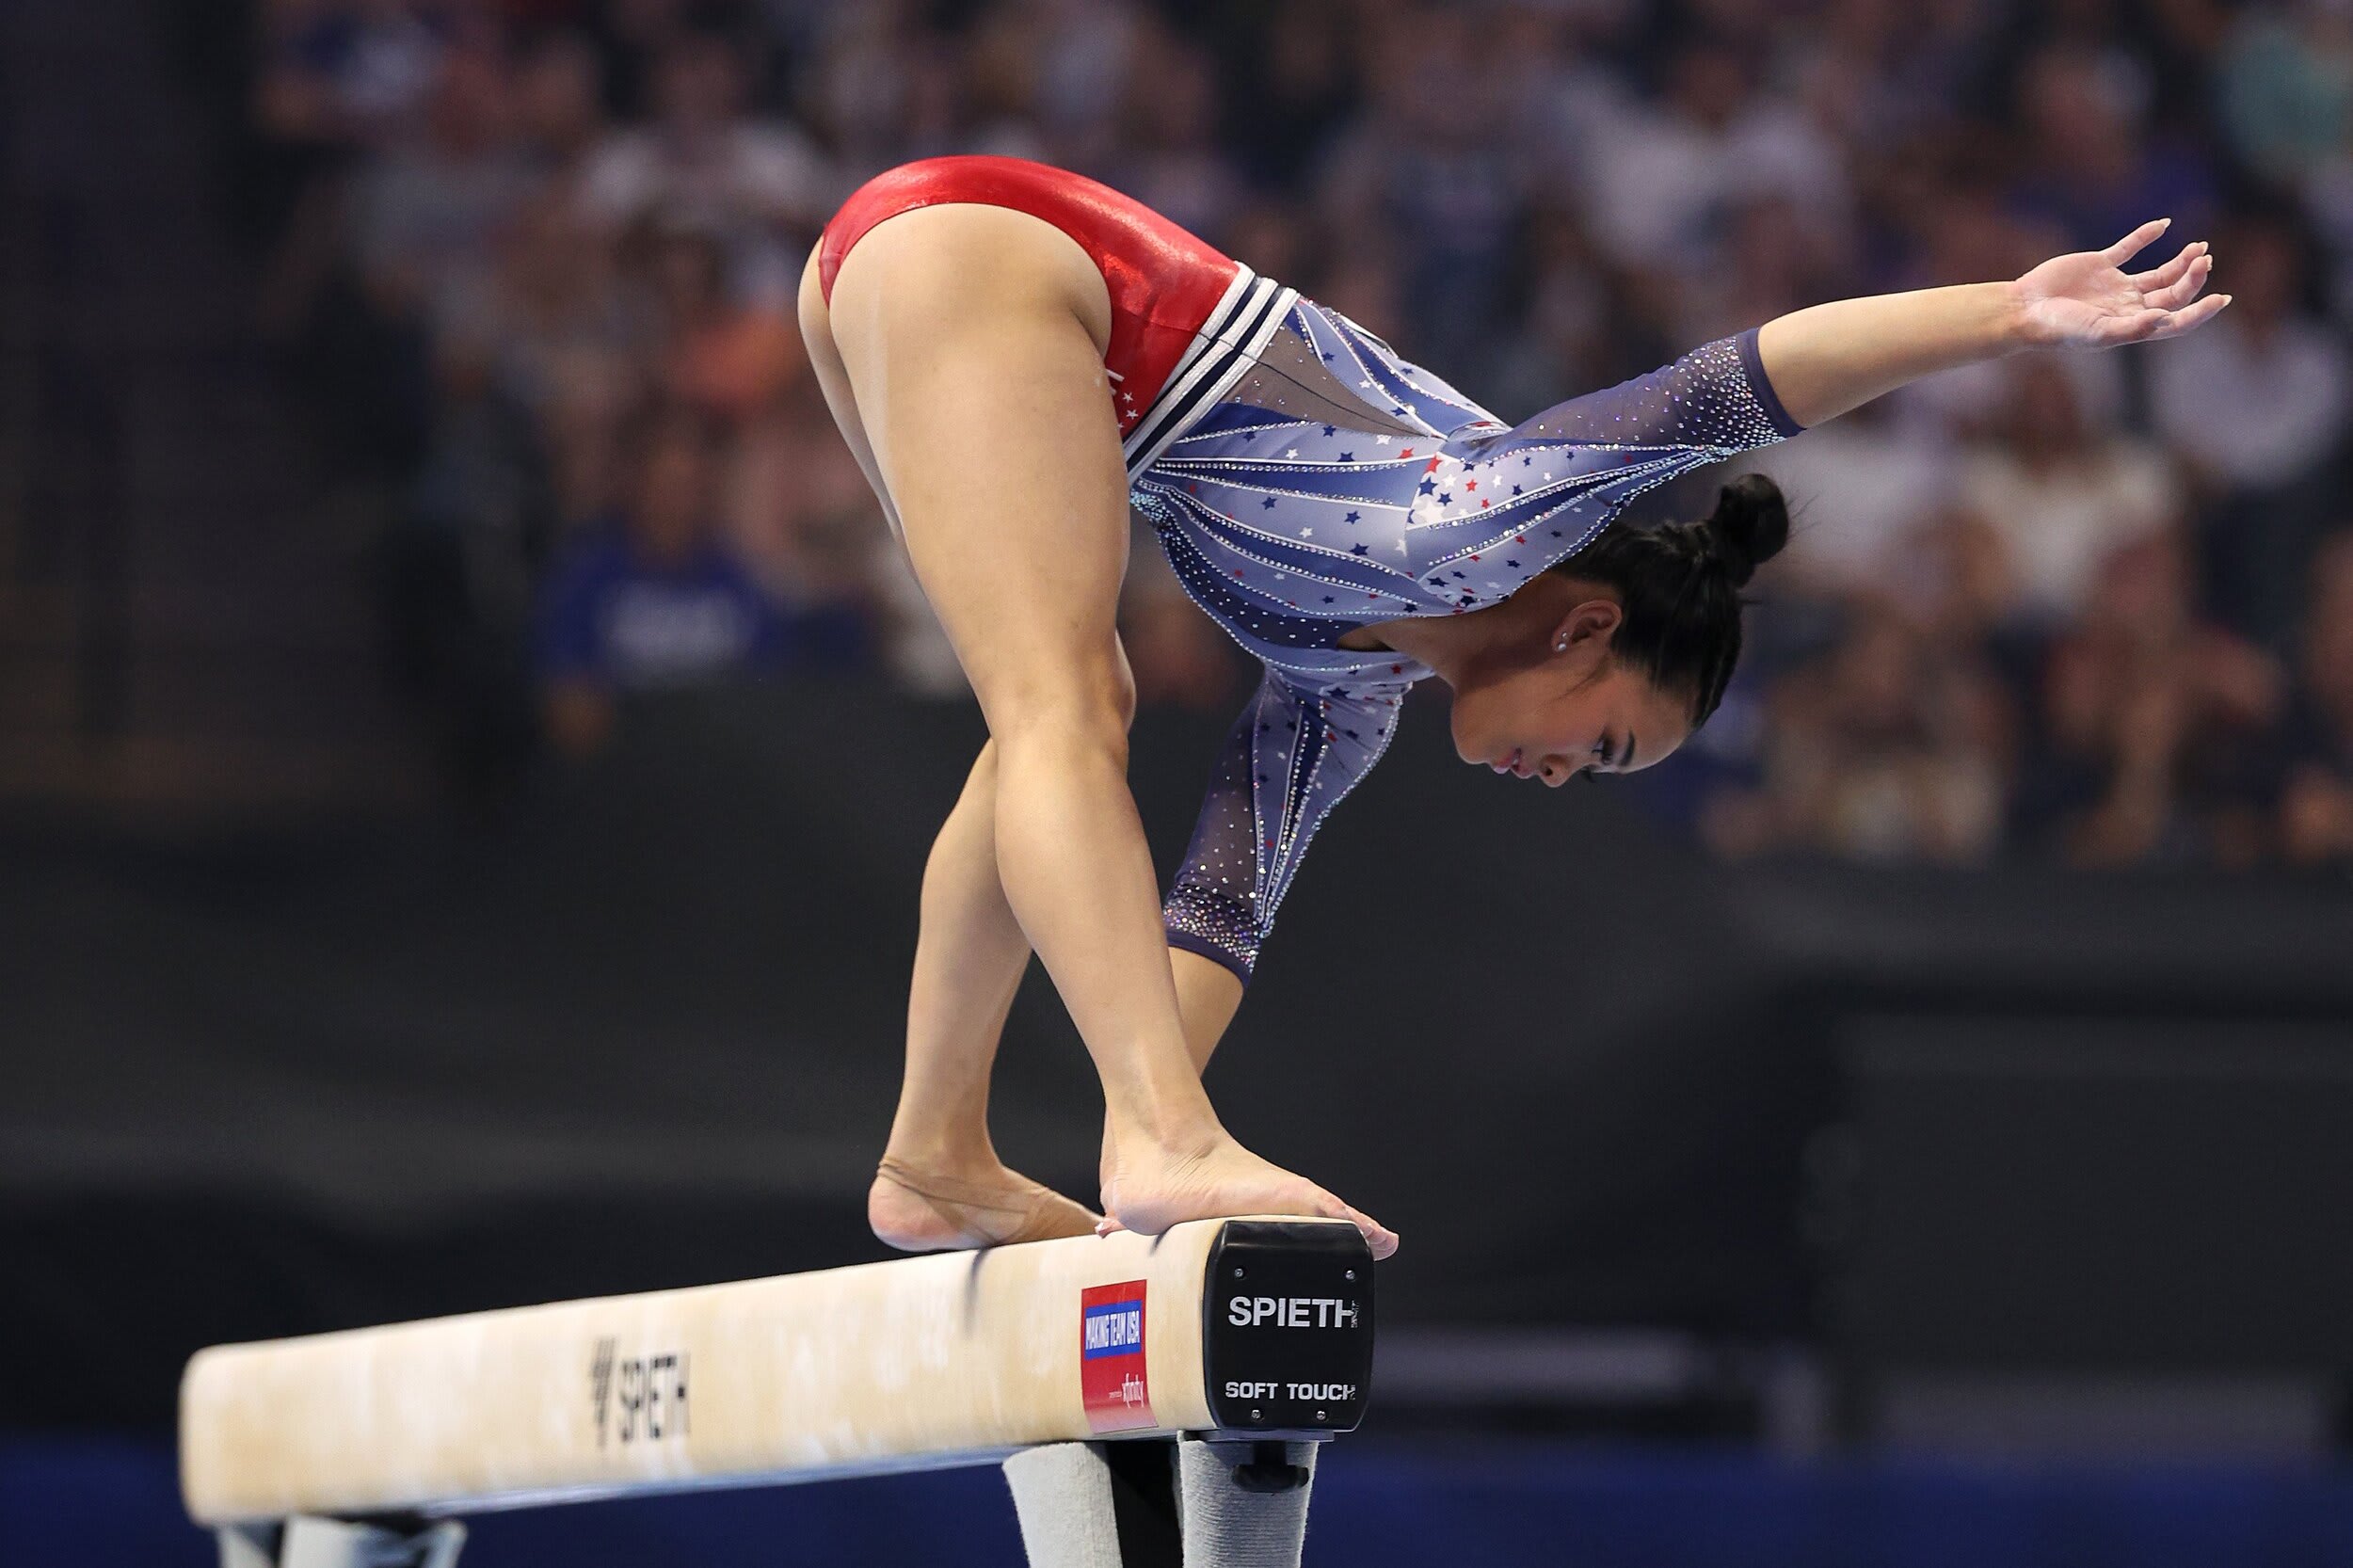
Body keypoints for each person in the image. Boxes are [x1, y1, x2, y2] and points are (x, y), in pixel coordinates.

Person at [796, 154, 2227, 1259]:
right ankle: (1138, 1137)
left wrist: (1139, 1164)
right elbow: (1736, 387)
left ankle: (937, 1154)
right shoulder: (1488, 513)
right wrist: (2006, 317)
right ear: (1586, 621)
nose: (1564, 775)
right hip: (1002, 255)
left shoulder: (1348, 691)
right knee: (1064, 705)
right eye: (1603, 740)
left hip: (934, 282)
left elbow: (1216, 917)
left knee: (1061, 700)